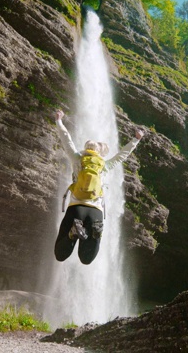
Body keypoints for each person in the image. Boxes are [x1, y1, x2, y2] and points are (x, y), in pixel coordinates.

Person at [54, 109, 144, 264]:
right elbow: (122, 155)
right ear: (100, 153)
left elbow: (66, 140)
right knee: (86, 259)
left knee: (60, 255)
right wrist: (136, 139)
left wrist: (59, 120)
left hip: (76, 208)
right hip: (96, 212)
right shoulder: (104, 165)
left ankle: (72, 233)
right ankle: (96, 232)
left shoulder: (77, 159)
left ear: (86, 149)